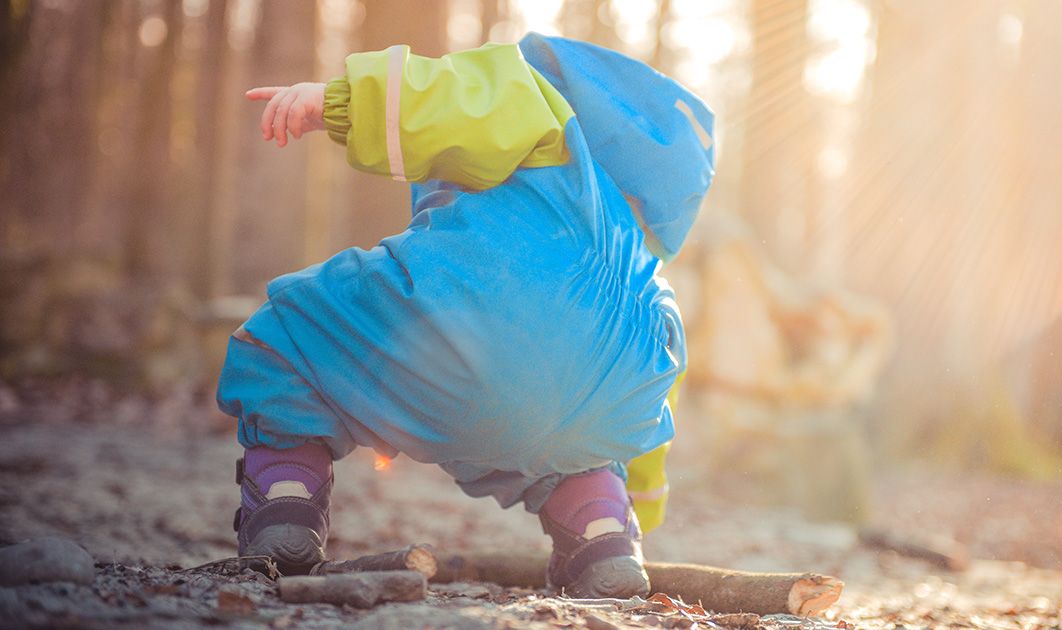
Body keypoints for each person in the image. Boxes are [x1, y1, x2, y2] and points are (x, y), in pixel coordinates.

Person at [219, 32, 714, 598]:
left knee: (291, 337)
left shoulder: (546, 121)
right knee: (581, 445)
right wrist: (640, 510)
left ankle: (286, 498)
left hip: (469, 335)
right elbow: (653, 408)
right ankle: (602, 532)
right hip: (593, 413)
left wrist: (336, 102)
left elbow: (458, 97)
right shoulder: (648, 280)